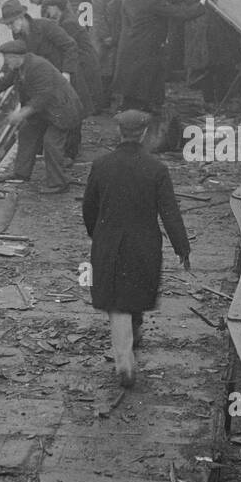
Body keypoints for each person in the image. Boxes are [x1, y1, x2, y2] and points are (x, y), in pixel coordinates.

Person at [82, 108, 191, 388]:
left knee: (117, 302)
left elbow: (89, 209)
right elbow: (170, 213)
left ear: (119, 132)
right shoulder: (156, 168)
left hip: (110, 242)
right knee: (132, 294)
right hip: (144, 245)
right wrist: (182, 248)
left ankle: (124, 361)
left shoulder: (101, 165)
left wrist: (99, 235)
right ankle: (130, 350)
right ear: (144, 134)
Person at [0, 40, 83, 193]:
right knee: (26, 132)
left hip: (62, 111)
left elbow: (43, 97)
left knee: (51, 143)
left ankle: (59, 183)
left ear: (15, 57)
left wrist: (21, 113)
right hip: (46, 112)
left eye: (6, 58)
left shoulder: (39, 67)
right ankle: (21, 172)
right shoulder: (21, 67)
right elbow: (2, 83)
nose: (5, 62)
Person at [112, 0, 205, 115]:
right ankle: (133, 110)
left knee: (141, 77)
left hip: (139, 43)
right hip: (142, 44)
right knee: (141, 78)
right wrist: (201, 6)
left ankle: (139, 107)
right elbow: (178, 13)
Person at [0, 0, 89, 111]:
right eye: (7, 24)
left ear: (21, 17)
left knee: (76, 114)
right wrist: (3, 71)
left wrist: (67, 72)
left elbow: (70, 46)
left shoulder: (46, 26)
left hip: (67, 79)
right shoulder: (18, 35)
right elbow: (18, 54)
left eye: (11, 23)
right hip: (49, 83)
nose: (9, 27)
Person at [39, 0, 105, 113]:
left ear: (56, 7)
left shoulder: (67, 23)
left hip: (84, 60)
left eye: (49, 8)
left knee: (89, 92)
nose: (48, 11)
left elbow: (67, 46)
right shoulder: (66, 17)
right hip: (85, 58)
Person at [92, 0, 134, 92]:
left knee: (111, 67)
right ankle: (99, 102)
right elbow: (97, 14)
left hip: (114, 33)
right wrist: (105, 36)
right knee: (102, 68)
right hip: (103, 36)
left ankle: (107, 99)